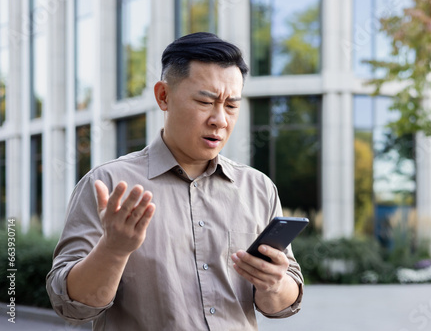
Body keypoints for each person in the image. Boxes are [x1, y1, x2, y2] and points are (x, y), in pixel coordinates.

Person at [46, 32, 303, 330]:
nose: (220, 119)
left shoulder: (258, 188)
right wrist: (113, 250)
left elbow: (282, 303)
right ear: (163, 96)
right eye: (205, 101)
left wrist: (274, 284)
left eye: (232, 105)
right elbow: (70, 306)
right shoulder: (108, 183)